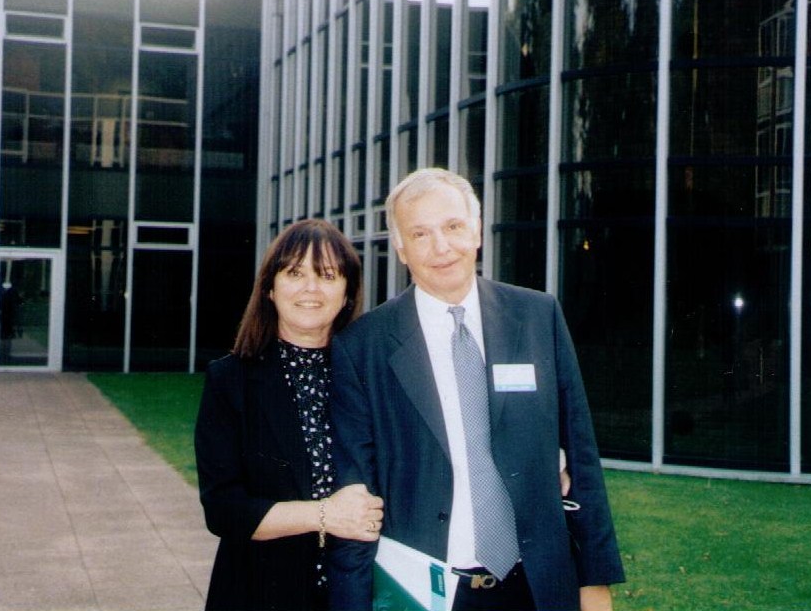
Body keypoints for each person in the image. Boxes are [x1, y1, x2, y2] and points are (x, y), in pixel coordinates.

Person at [327, 168, 625, 611]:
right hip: (427, 595)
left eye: (453, 226)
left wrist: (595, 581)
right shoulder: (362, 347)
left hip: (539, 588)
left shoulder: (537, 317)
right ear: (402, 249)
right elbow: (357, 501)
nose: (441, 247)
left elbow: (580, 457)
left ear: (477, 230)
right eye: (421, 233)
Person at [195, 219, 386, 611]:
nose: (311, 288)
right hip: (261, 593)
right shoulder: (231, 380)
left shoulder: (375, 376)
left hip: (362, 593)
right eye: (295, 273)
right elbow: (224, 510)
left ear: (348, 292)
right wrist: (325, 515)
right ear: (270, 287)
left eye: (327, 275)